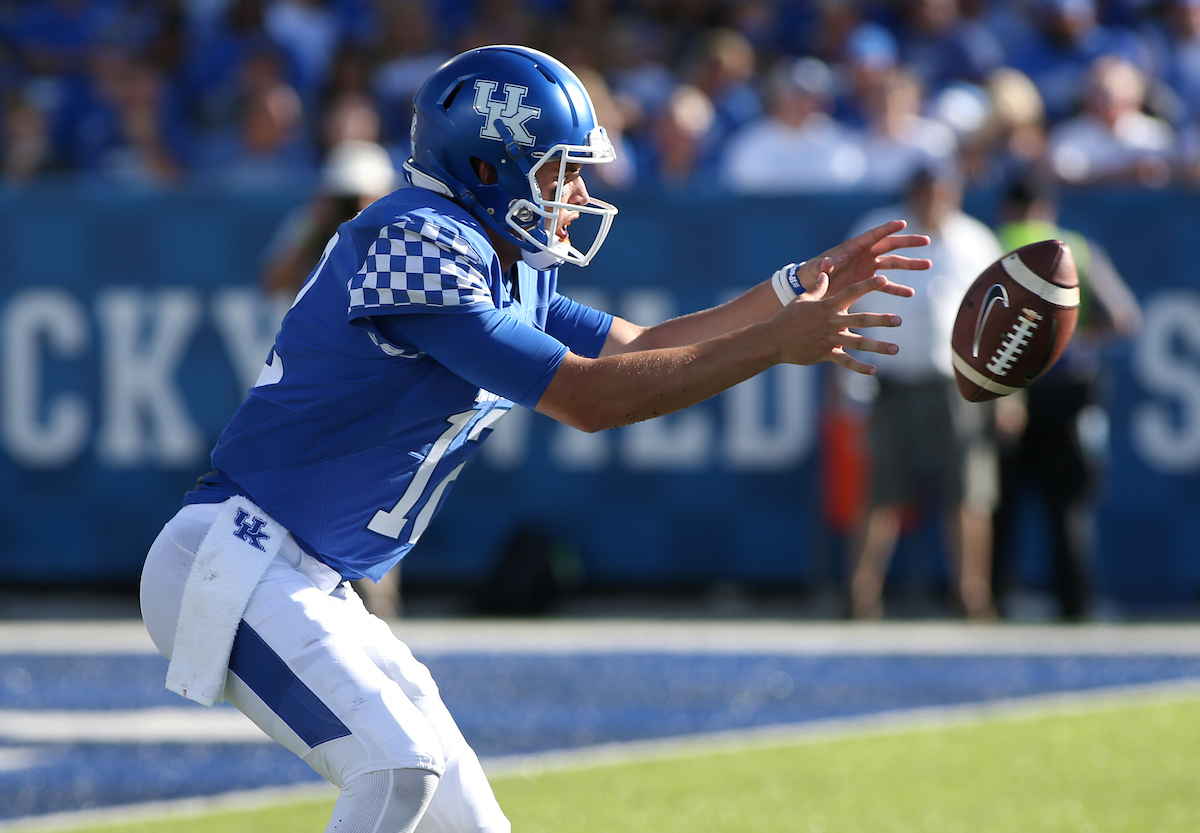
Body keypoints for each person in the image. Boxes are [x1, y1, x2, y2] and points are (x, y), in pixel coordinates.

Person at [138, 45, 929, 833]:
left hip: (311, 578)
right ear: (489, 167)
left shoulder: (496, 256)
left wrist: (792, 287)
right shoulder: (416, 238)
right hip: (238, 556)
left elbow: (633, 346)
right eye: (560, 170)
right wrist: (773, 344)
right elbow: (589, 397)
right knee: (395, 765)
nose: (577, 191)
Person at [846, 161, 1002, 621]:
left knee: (969, 493)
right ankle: (862, 594)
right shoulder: (878, 234)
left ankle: (973, 594)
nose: (934, 199)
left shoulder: (976, 241)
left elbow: (999, 325)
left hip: (958, 385)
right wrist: (851, 383)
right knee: (881, 494)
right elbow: (849, 306)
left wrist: (1005, 393)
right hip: (892, 381)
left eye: (942, 190)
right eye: (926, 190)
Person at [991, 174, 1142, 621]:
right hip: (1066, 390)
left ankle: (996, 601)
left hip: (1005, 393)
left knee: (1000, 505)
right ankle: (1074, 603)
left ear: (1005, 210)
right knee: (1068, 506)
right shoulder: (1075, 248)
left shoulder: (990, 245)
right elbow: (1123, 319)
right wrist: (1063, 334)